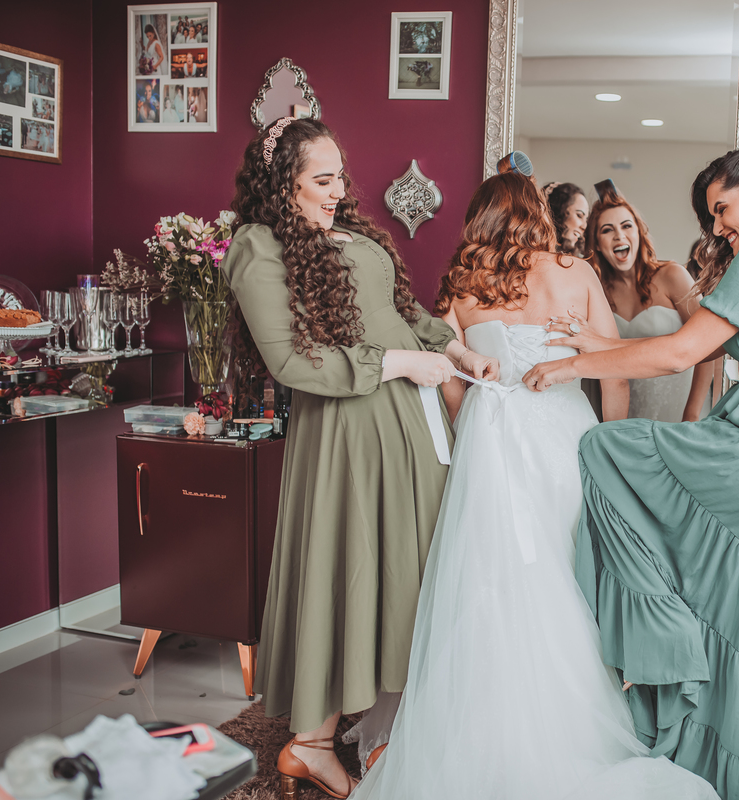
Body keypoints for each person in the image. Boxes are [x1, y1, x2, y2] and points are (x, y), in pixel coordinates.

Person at [350, 171, 714, 800]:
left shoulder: (463, 282)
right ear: (539, 216)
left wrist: (473, 430)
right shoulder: (575, 274)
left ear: (479, 219)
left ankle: (481, 724)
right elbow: (611, 371)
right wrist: (611, 444)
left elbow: (449, 377)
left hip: (490, 436)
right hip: (563, 435)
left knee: (487, 576)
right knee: (569, 571)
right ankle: (574, 718)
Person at [523, 148, 739, 800]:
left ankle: (666, 640)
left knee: (605, 449)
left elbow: (683, 352)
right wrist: (599, 345)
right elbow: (696, 345)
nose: (717, 227)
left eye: (722, 208)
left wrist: (571, 366)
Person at [220, 117, 499, 800]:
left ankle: (392, 728)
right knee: (345, 568)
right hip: (346, 431)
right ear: (281, 184)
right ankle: (311, 743)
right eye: (322, 180)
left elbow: (398, 311)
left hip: (408, 420)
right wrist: (402, 363)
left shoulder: (350, 234)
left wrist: (454, 349)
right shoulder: (259, 246)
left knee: (407, 570)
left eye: (339, 176)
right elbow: (291, 361)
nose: (338, 191)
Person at [572, 182, 713, 423]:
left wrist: (692, 413)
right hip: (622, 417)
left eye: (627, 225)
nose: (619, 235)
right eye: (607, 230)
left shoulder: (672, 276)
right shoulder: (595, 292)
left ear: (639, 232)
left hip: (681, 414)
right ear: (597, 243)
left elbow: (708, 345)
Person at [542, 181, 589, 257]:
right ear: (558, 212)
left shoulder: (579, 260)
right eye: (579, 215)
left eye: (586, 220)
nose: (584, 226)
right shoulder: (532, 254)